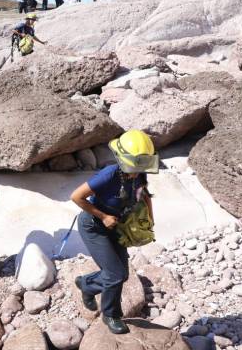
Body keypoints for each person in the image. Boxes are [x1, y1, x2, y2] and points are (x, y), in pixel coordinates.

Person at [69, 129, 158, 335]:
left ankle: (87, 284)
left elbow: (144, 195)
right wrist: (103, 216)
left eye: (141, 165)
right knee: (115, 275)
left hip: (118, 225)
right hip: (94, 226)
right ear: (122, 157)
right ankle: (111, 315)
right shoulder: (108, 174)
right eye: (134, 165)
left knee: (122, 274)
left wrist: (150, 221)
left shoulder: (140, 171)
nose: (136, 170)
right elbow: (76, 196)